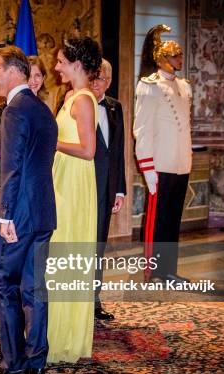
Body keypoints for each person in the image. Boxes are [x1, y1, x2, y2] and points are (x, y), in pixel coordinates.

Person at [0, 46, 57, 374]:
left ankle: (14, 365)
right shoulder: (42, 109)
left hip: (16, 218)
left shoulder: (14, 111)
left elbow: (11, 170)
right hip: (41, 214)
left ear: (14, 71)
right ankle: (36, 360)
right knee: (34, 289)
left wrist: (5, 216)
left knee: (3, 286)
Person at [46, 37, 102, 363]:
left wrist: (54, 143)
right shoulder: (69, 96)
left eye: (61, 62)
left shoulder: (83, 100)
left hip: (74, 182)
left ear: (77, 65)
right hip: (62, 178)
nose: (56, 67)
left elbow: (88, 150)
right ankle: (56, 333)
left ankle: (66, 340)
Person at [134, 24, 192, 284]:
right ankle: (153, 270)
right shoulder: (149, 86)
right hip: (159, 164)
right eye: (175, 55)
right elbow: (142, 130)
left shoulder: (183, 86)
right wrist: (147, 168)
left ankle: (169, 270)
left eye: (180, 55)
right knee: (157, 221)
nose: (180, 59)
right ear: (161, 59)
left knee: (173, 220)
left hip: (180, 163)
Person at [90, 59, 126, 321]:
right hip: (81, 184)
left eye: (100, 78)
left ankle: (94, 300)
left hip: (105, 188)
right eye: (92, 77)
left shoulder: (115, 107)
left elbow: (118, 151)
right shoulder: (74, 103)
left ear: (108, 81)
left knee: (98, 245)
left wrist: (120, 190)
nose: (95, 83)